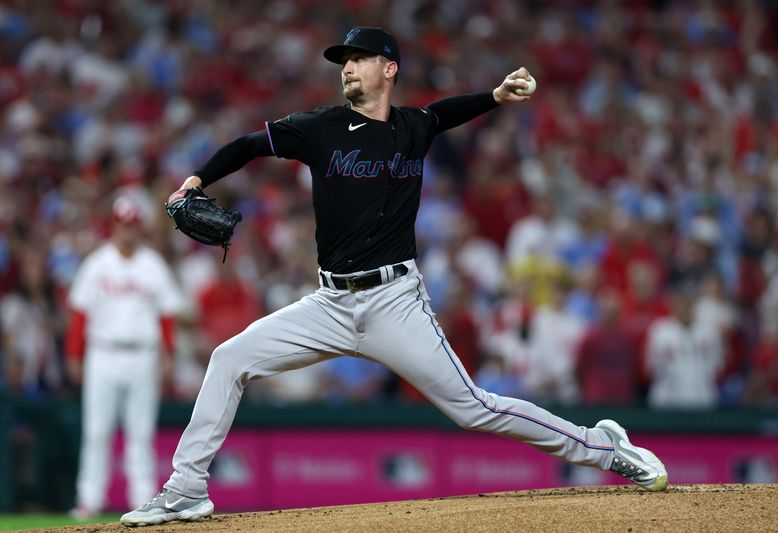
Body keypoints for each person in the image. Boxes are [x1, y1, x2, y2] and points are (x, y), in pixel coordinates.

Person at [121, 27, 668, 527]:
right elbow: (248, 145)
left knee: (474, 409)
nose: (348, 67)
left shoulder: (413, 127)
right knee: (229, 358)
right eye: (344, 60)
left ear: (390, 68)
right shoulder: (321, 128)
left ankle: (602, 447)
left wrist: (494, 97)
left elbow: (445, 113)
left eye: (360, 58)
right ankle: (186, 488)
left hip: (394, 302)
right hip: (328, 304)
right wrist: (195, 178)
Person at [67, 196, 184, 519]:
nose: (127, 232)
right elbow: (79, 315)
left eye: (132, 226)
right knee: (97, 431)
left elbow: (167, 316)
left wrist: (169, 354)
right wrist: (74, 355)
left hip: (143, 355)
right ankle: (89, 499)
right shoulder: (97, 263)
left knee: (140, 433)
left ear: (138, 228)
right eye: (122, 225)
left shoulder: (152, 265)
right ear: (114, 226)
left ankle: (141, 499)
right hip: (102, 353)